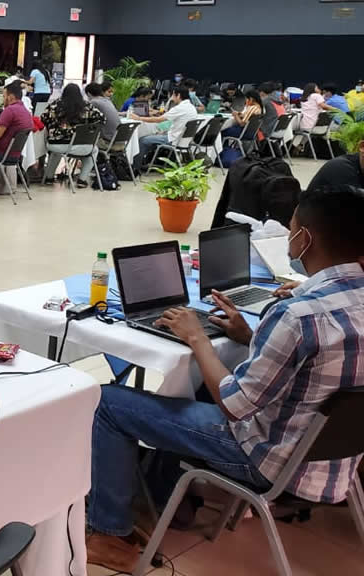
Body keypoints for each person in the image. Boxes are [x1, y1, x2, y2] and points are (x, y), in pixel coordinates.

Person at [85, 184, 364, 572]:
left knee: (108, 402)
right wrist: (252, 339)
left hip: (267, 459)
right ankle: (165, 499)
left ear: (305, 238)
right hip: (335, 462)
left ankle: (107, 533)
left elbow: (235, 404)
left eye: (291, 226)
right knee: (196, 386)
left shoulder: (299, 315)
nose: (288, 234)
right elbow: (312, 372)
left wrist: (197, 337)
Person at [42, 83, 105, 188]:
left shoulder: (55, 105)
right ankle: (82, 179)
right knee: (94, 150)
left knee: (56, 153)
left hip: (57, 144)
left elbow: (43, 118)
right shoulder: (87, 107)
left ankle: (49, 177)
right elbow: (102, 119)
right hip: (80, 145)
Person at [130, 87, 197, 173]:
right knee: (152, 137)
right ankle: (148, 162)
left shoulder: (179, 108)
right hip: (184, 139)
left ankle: (135, 168)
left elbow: (159, 119)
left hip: (173, 139)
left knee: (143, 140)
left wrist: (139, 118)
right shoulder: (191, 107)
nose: (172, 98)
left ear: (178, 95)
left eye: (173, 95)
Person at [0, 81, 33, 159]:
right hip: (16, 154)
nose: (3, 99)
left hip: (1, 153)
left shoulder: (10, 110)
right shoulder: (26, 112)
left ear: (10, 97)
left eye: (4, 96)